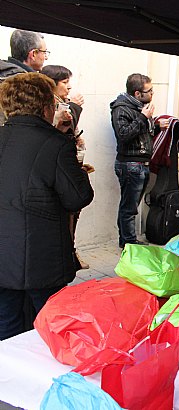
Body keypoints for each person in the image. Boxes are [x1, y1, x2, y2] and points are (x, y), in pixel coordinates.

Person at [0, 73, 94, 340]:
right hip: (42, 258)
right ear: (46, 106)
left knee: (6, 326)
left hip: (3, 255)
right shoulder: (55, 145)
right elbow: (78, 197)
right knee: (49, 328)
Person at [42, 65, 91, 269]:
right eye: (64, 82)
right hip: (58, 168)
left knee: (73, 214)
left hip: (71, 162)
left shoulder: (62, 103)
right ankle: (66, 256)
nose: (69, 87)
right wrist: (74, 108)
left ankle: (70, 253)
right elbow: (51, 134)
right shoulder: (50, 105)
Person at [110, 73, 167, 248]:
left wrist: (155, 126)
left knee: (131, 205)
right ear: (137, 94)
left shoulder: (138, 108)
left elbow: (141, 134)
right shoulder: (121, 109)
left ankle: (127, 241)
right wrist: (143, 117)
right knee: (129, 207)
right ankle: (128, 243)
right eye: (148, 90)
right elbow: (124, 134)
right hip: (130, 165)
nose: (152, 93)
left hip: (141, 164)